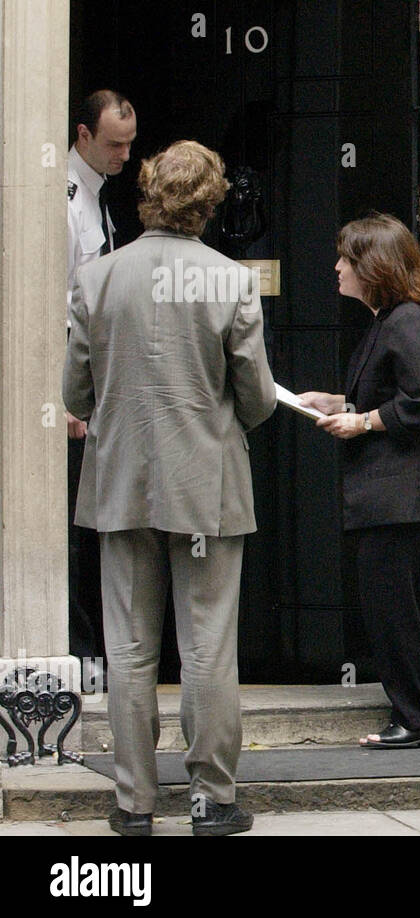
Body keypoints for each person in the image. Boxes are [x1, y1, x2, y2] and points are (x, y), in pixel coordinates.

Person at [64, 140, 276, 836]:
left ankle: (134, 804)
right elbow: (258, 400)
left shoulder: (98, 279)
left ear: (148, 192)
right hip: (207, 485)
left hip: (122, 480)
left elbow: (76, 392)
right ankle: (213, 799)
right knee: (208, 644)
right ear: (211, 204)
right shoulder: (230, 282)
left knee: (128, 647)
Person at [298, 213, 420, 750]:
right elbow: (391, 396)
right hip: (393, 499)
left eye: (347, 258)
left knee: (396, 611)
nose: (337, 267)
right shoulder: (389, 322)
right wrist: (337, 402)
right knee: (400, 608)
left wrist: (360, 422)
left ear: (374, 267)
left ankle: (417, 720)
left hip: (401, 499)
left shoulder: (408, 323)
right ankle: (419, 716)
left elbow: (419, 405)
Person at [66, 90, 138, 684]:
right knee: (74, 528)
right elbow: (52, 304)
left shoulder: (97, 197)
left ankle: (96, 654)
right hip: (78, 393)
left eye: (130, 143)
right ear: (83, 135)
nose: (124, 153)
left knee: (93, 526)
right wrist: (62, 396)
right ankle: (79, 654)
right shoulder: (66, 200)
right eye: (114, 143)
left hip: (102, 391)